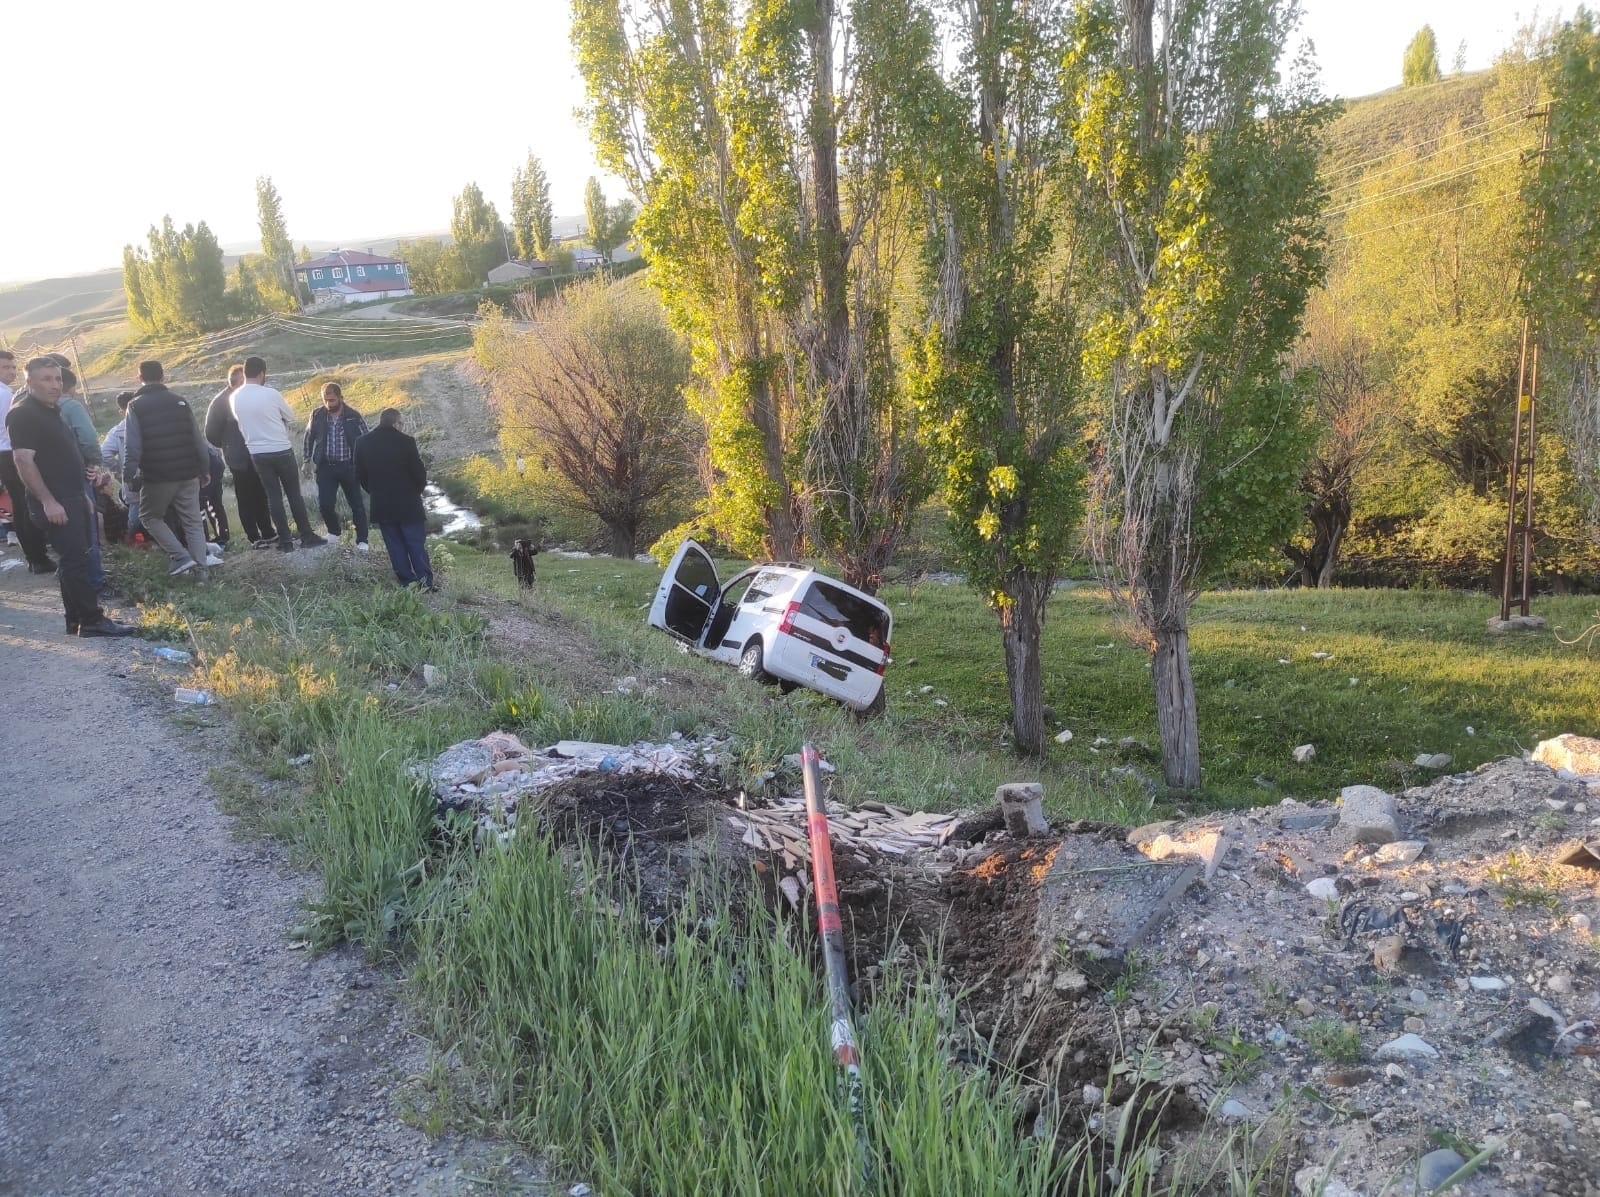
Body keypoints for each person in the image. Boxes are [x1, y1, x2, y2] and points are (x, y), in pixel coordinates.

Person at [3, 357, 131, 636]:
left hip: (71, 497)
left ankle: (76, 619)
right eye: (46, 379)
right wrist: (48, 501)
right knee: (76, 560)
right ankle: (92, 620)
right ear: (29, 382)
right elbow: (24, 461)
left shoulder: (52, 409)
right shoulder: (24, 413)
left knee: (75, 558)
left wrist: (80, 495)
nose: (54, 385)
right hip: (54, 501)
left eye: (58, 379)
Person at [123, 360, 215, 576]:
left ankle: (180, 556)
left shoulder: (135, 405)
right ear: (163, 376)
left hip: (158, 476)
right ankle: (202, 573)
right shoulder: (179, 401)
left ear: (140, 378)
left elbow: (132, 446)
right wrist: (205, 468)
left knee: (149, 516)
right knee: (192, 521)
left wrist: (128, 475)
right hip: (189, 473)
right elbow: (197, 438)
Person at [229, 356, 325, 552]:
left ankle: (285, 541)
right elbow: (290, 416)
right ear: (262, 373)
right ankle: (307, 535)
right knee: (293, 495)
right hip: (280, 449)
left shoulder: (234, 397)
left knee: (273, 497)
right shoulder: (270, 394)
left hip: (257, 452)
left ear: (245, 373)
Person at [355, 407, 433, 589]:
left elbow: (360, 475)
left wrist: (375, 491)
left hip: (381, 504)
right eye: (402, 424)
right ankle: (425, 583)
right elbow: (419, 474)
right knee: (415, 544)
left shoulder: (362, 443)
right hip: (408, 503)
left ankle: (407, 583)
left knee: (395, 546)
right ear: (396, 423)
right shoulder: (406, 442)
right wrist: (415, 492)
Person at [54, 364, 110, 596]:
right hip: (77, 473)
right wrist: (94, 463)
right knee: (88, 528)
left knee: (66, 531)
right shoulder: (71, 406)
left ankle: (73, 578)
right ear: (72, 387)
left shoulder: (29, 405)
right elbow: (87, 438)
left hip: (50, 476)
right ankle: (95, 581)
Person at [205, 363, 274, 547]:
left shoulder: (253, 396)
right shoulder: (221, 402)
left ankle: (267, 531)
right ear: (235, 382)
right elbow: (210, 433)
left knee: (261, 494)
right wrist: (228, 446)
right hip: (238, 459)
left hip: (258, 453)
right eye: (244, 380)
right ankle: (254, 537)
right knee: (245, 498)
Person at [0, 348, 56, 573]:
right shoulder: (5, 395)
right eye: (5, 367)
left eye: (13, 367)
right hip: (11, 452)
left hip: (4, 453)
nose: (11, 371)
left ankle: (34, 555)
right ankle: (37, 556)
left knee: (20, 504)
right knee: (26, 505)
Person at [303, 381, 370, 549]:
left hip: (349, 466)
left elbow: (366, 439)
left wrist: (367, 463)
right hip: (326, 467)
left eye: (332, 400)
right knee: (325, 504)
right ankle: (334, 532)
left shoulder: (354, 416)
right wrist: (306, 461)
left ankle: (362, 540)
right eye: (325, 400)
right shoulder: (317, 414)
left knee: (357, 505)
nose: (328, 404)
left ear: (341, 398)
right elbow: (308, 437)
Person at [100, 391, 142, 539]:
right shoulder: (150, 423)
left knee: (136, 511)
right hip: (157, 477)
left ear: (121, 411)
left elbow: (104, 454)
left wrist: (122, 471)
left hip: (133, 480)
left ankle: (133, 540)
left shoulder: (117, 431)